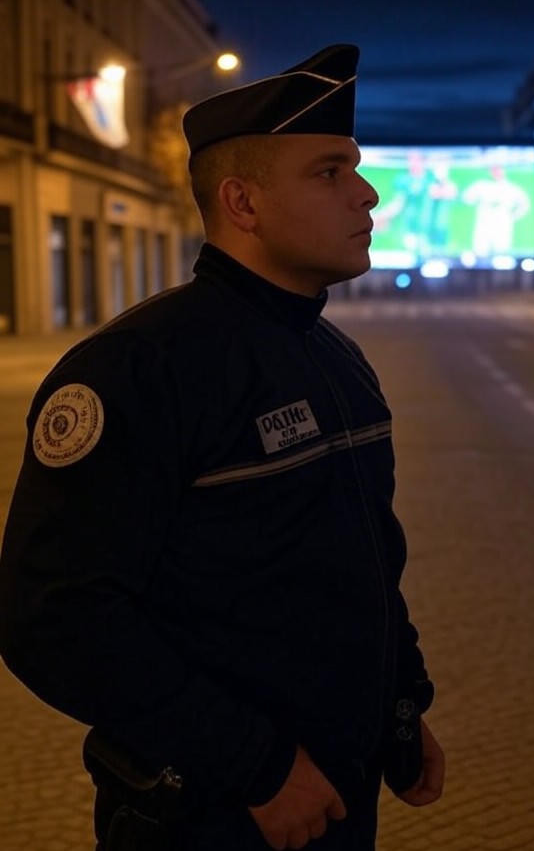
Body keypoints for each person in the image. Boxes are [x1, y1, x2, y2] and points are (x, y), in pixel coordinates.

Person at [0, 44, 444, 850]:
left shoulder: (336, 356)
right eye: (329, 172)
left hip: (339, 792)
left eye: (355, 168)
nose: (368, 192)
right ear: (241, 202)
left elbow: (367, 557)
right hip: (212, 814)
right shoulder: (140, 369)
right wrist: (257, 768)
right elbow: (53, 616)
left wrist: (402, 707)